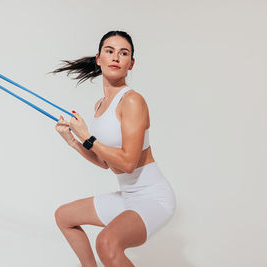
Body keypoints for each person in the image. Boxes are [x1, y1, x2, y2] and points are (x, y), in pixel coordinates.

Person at [53, 30, 176, 267]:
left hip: (153, 198)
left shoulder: (132, 101)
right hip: (128, 197)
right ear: (98, 58)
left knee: (107, 243)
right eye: (110, 51)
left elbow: (128, 163)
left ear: (131, 64)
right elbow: (105, 162)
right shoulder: (100, 105)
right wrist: (73, 141)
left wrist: (87, 137)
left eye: (123, 53)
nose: (116, 57)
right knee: (64, 216)